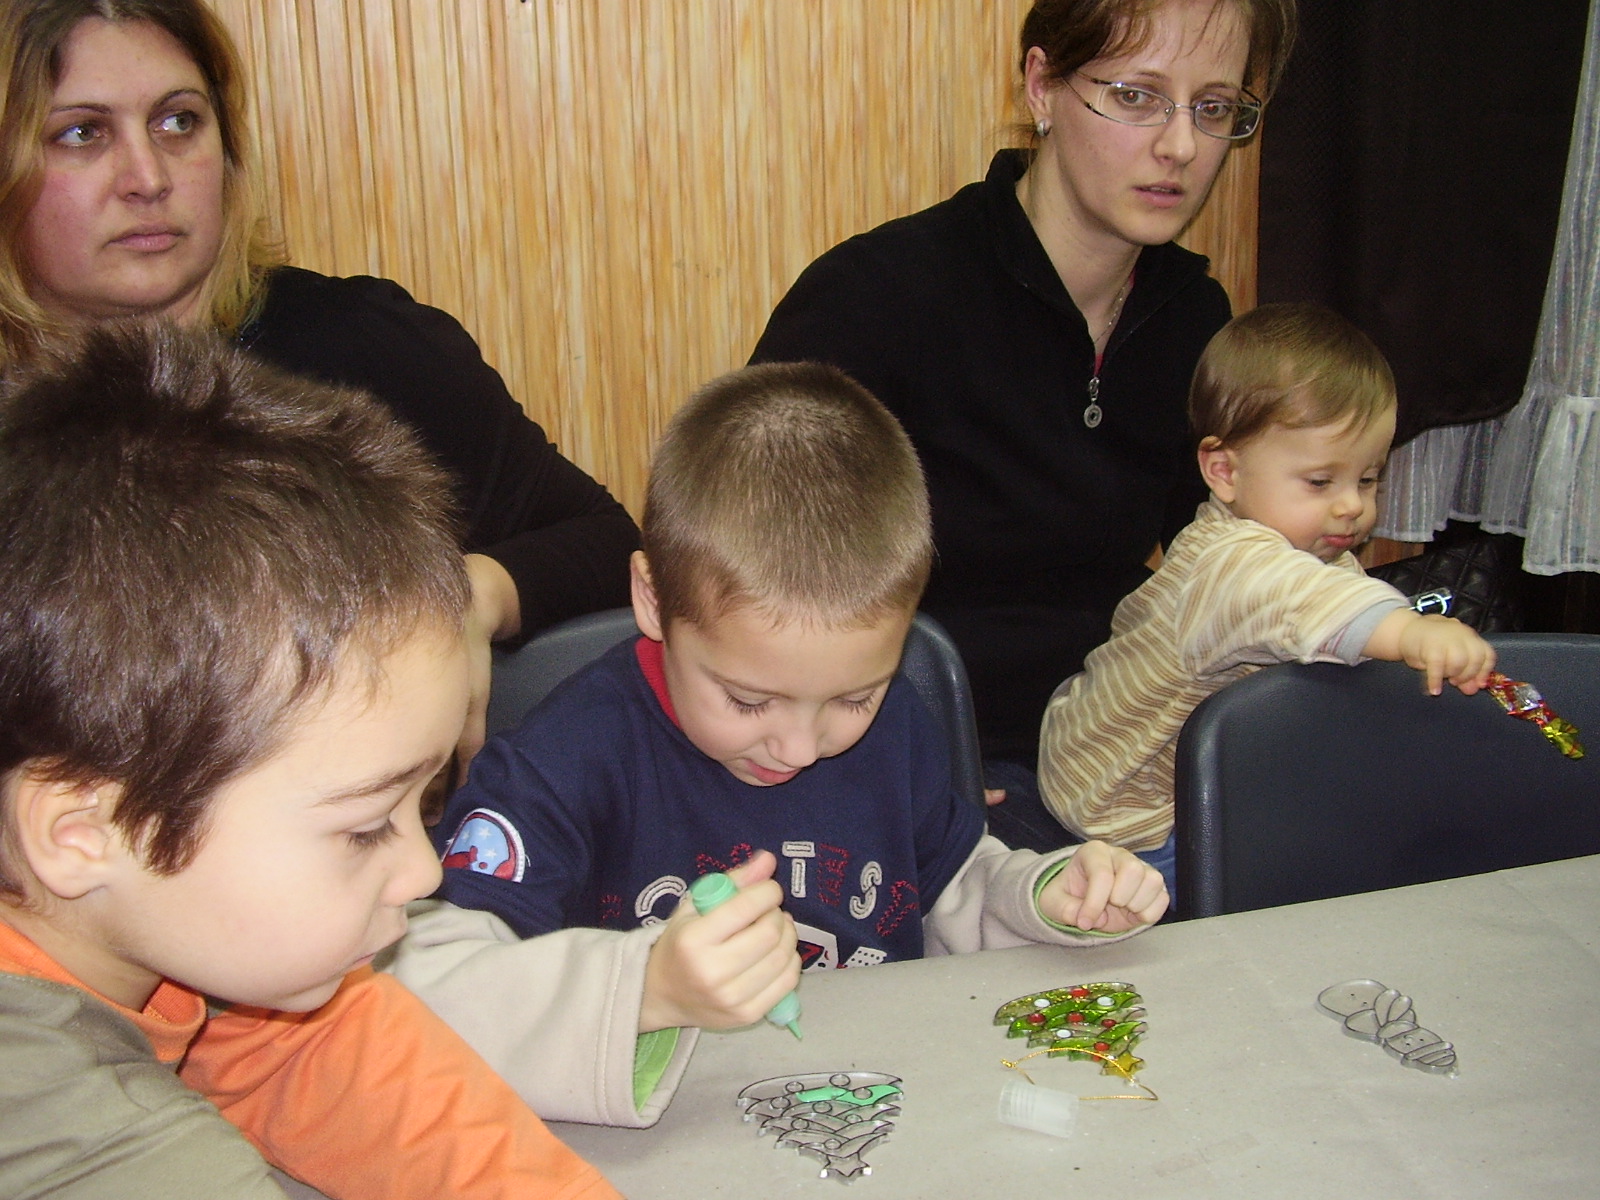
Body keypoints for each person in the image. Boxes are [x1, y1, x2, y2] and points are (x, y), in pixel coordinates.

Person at [401, 362, 1167, 1117]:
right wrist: (645, 987)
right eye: (748, 700)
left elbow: (952, 890)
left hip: (872, 1113)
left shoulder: (897, 723)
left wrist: (1042, 896)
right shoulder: (560, 765)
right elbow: (425, 992)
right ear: (652, 599)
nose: (800, 748)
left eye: (854, 698)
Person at [0, 322, 617, 1200]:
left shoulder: (174, 932)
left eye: (422, 805)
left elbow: (315, 1054)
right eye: (364, 828)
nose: (425, 872)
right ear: (80, 833)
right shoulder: (54, 1121)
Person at [0, 0, 640, 771]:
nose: (148, 177)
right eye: (81, 134)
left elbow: (608, 544)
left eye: (178, 122)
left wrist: (470, 595)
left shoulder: (364, 347)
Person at [748, 0, 1297, 851]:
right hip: (925, 760)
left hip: (1114, 749)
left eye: (1215, 107)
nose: (1182, 146)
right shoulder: (880, 296)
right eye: (1138, 96)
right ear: (1042, 86)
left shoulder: (1195, 316)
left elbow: (1220, 554)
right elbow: (749, 574)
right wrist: (897, 760)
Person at [1036, 303, 1498, 892]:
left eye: (1367, 478)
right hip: (1126, 808)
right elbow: (1306, 601)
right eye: (1320, 481)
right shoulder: (1231, 563)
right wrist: (1412, 631)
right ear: (1224, 471)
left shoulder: (1315, 550)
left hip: (1193, 765)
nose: (1352, 505)